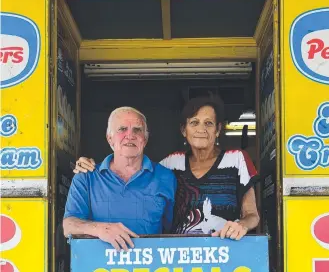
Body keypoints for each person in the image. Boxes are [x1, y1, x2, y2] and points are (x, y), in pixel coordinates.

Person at [74, 96, 259, 241]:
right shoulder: (171, 164)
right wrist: (87, 165)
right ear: (183, 130)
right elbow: (133, 164)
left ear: (218, 130)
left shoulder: (236, 159)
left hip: (225, 252)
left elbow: (252, 215)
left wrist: (241, 225)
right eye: (194, 122)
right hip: (177, 258)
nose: (201, 129)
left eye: (209, 123)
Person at [63, 107, 176, 250]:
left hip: (152, 269)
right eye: (122, 129)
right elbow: (68, 226)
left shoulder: (165, 177)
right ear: (109, 138)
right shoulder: (86, 177)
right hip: (97, 269)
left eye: (137, 130)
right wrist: (100, 229)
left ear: (145, 139)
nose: (130, 135)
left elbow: (171, 229)